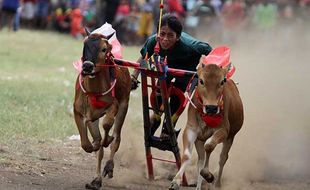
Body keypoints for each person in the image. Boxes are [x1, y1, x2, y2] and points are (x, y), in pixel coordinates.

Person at [131, 13, 212, 139]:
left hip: (187, 68)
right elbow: (143, 58)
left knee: (177, 96)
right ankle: (156, 118)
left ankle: (168, 128)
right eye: (162, 34)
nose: (165, 39)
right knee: (159, 91)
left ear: (178, 36)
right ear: (158, 33)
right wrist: (133, 76)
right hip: (166, 66)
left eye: (170, 35)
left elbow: (209, 50)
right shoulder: (153, 41)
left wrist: (204, 64)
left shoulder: (190, 45)